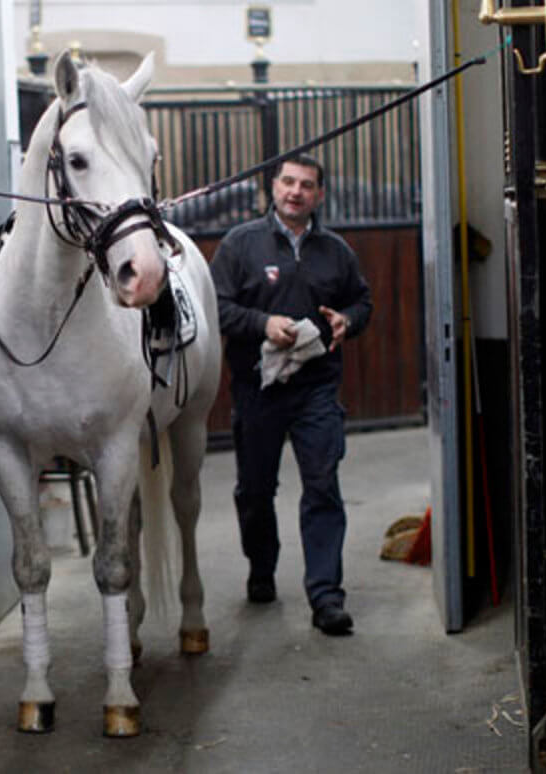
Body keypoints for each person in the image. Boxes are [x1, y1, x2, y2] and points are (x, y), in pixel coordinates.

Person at [210, 155, 372, 635]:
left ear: (319, 194)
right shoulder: (240, 245)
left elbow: (361, 300)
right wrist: (263, 324)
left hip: (316, 387)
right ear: (272, 187)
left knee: (323, 487)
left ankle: (326, 598)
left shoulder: (336, 251)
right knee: (255, 492)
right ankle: (262, 566)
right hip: (257, 388)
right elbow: (216, 305)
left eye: (306, 185)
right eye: (287, 182)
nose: (295, 191)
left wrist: (349, 320)